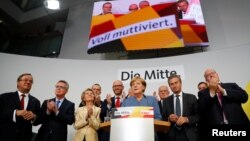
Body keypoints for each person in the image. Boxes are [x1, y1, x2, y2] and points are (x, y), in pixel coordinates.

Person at [0, 73, 40, 141]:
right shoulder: (4, 97)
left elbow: (38, 120)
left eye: (31, 81)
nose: (28, 82)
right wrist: (15, 112)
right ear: (18, 82)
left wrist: (34, 116)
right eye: (25, 80)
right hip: (6, 136)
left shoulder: (36, 101)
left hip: (25, 137)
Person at [162, 74, 199, 141]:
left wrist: (186, 119)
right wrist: (169, 118)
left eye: (176, 83)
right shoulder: (166, 101)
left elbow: (198, 116)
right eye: (171, 84)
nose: (174, 85)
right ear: (169, 86)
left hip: (190, 135)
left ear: (181, 83)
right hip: (172, 135)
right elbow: (163, 118)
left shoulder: (191, 97)